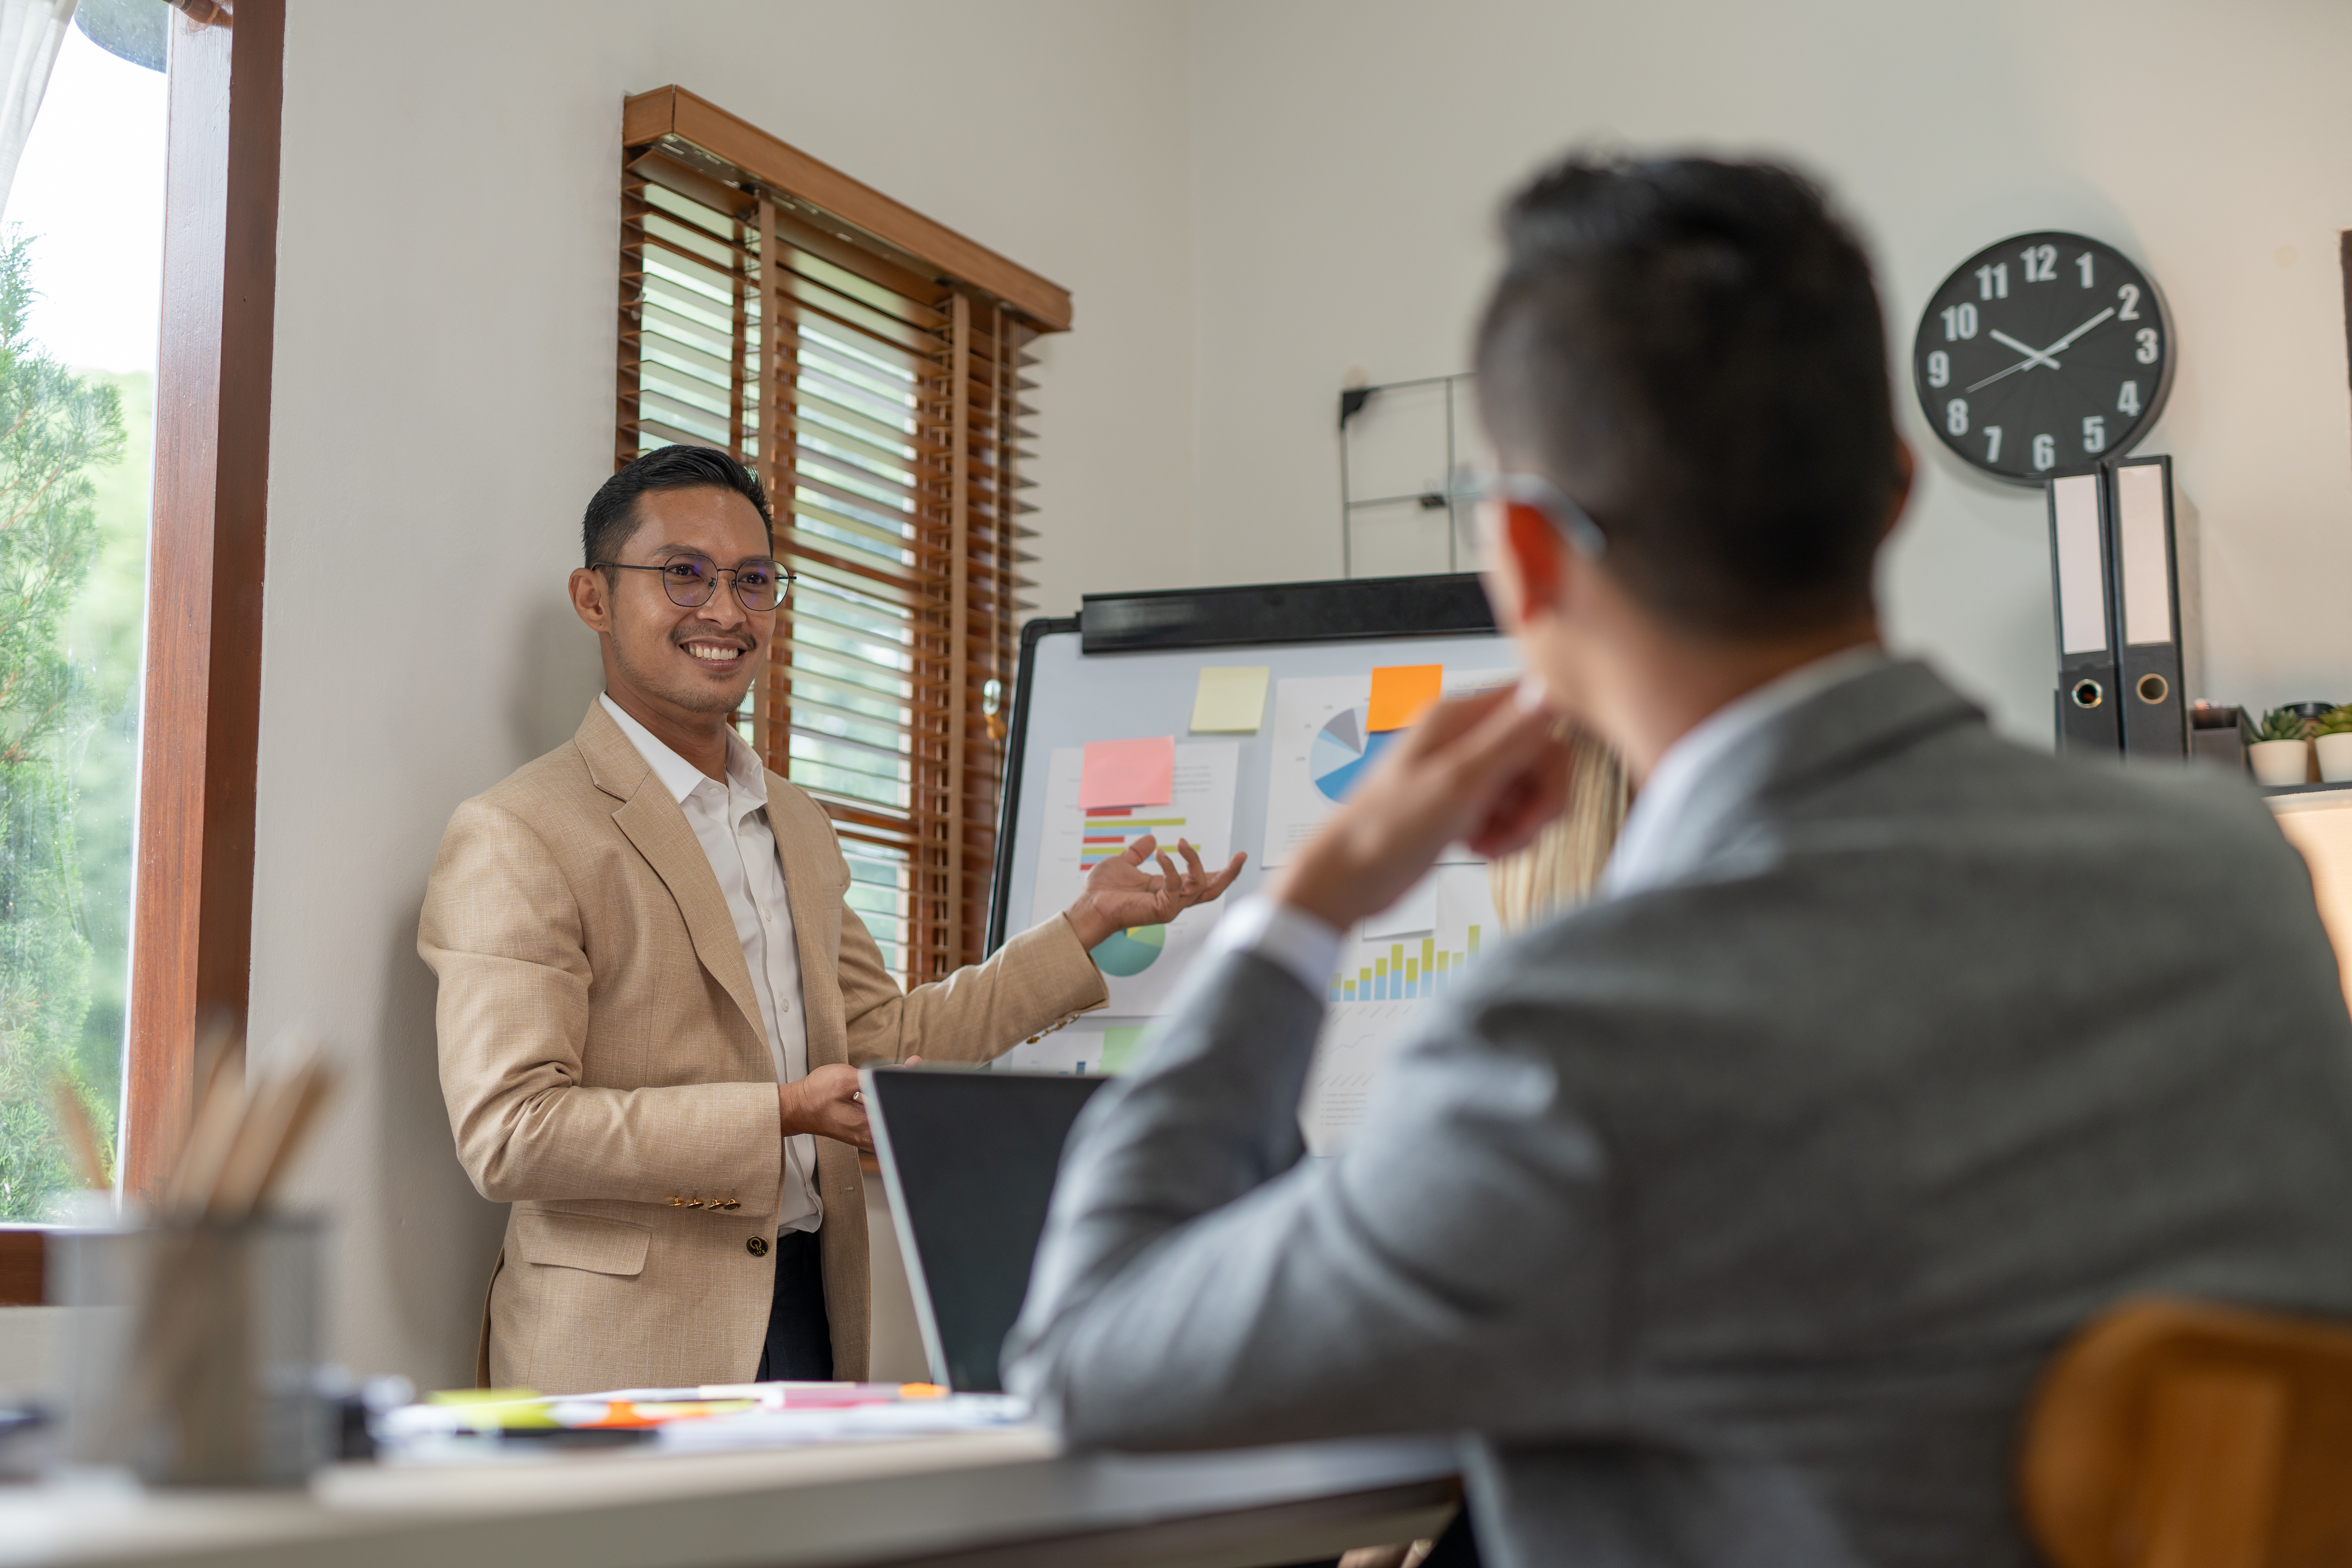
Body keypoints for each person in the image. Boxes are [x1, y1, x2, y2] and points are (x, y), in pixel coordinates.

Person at [1003, 156, 2352, 1567]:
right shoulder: (2234, 878)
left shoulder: (1581, 1042)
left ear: (1521, 556)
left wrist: (1306, 901)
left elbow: (1092, 1354)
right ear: (1895, 491)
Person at [420, 445, 1240, 1394]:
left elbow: (883, 1038)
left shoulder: (796, 821)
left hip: (812, 1309)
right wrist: (781, 1113)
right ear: (595, 597)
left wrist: (1085, 926)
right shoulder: (519, 832)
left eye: (753, 581)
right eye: (683, 575)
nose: (725, 611)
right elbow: (512, 1132)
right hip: (624, 1350)